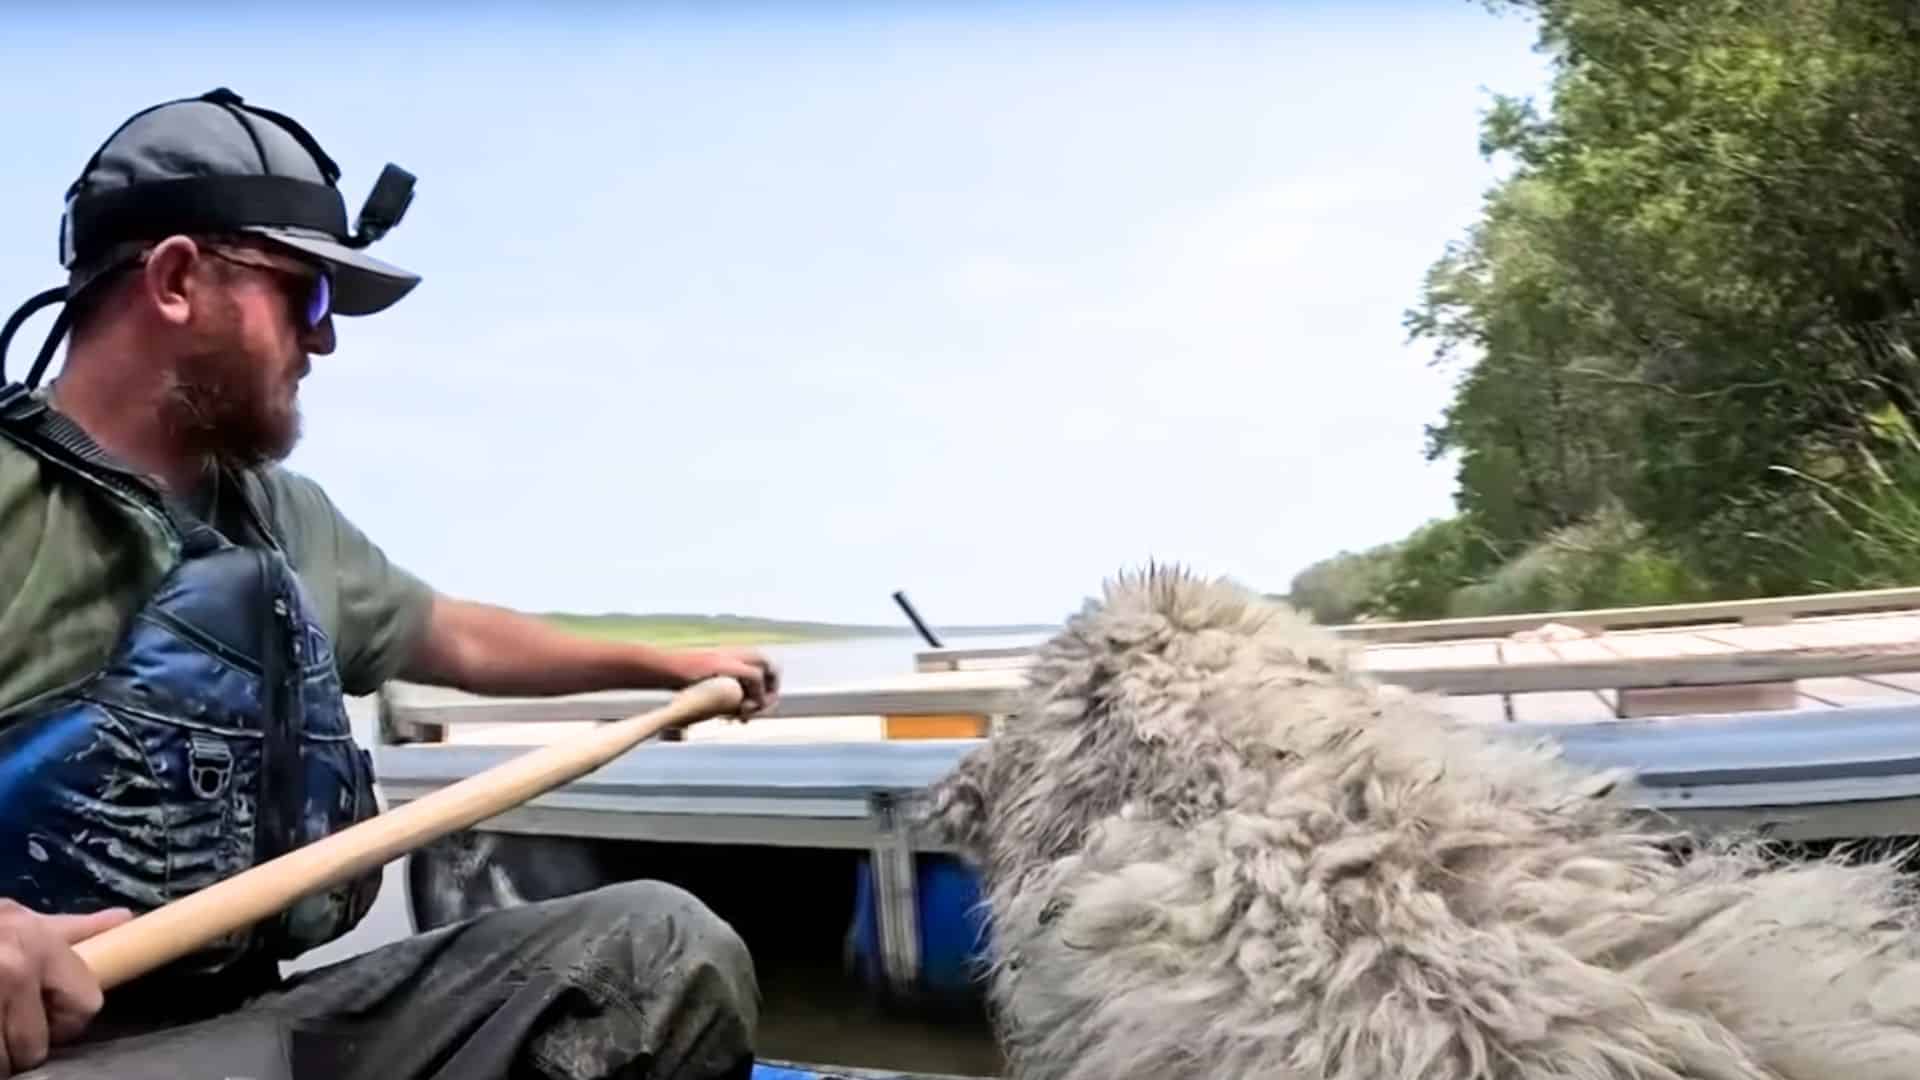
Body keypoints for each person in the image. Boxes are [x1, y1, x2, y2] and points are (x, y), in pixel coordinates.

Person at [0, 89, 779, 1078]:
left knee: (656, 958)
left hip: (246, 1029)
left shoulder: (287, 518)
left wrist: (668, 667)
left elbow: (450, 634)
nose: (324, 341)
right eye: (307, 294)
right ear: (177, 279)